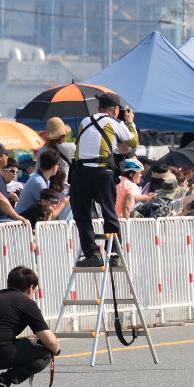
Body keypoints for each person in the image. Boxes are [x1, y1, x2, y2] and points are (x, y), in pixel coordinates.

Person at [70, 93, 138, 267]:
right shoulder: (114, 122)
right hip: (102, 173)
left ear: (99, 107)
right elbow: (133, 142)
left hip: (81, 173)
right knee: (109, 212)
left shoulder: (85, 122)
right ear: (115, 109)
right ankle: (114, 253)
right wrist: (129, 121)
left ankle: (92, 254)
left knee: (82, 215)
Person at [17, 149, 60, 215]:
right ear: (54, 166)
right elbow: (48, 213)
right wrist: (64, 203)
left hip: (26, 219)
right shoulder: (39, 182)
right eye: (58, 164)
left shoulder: (40, 178)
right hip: (24, 221)